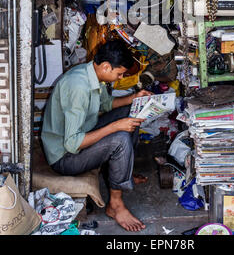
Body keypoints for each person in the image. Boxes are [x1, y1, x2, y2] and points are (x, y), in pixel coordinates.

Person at [41, 40, 152, 232]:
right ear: (106, 66)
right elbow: (73, 144)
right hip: (65, 158)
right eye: (119, 74)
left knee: (132, 113)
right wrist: (115, 127)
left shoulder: (92, 73)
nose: (119, 79)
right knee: (121, 138)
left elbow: (105, 105)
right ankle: (115, 205)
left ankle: (122, 173)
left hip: (84, 134)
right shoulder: (78, 87)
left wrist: (134, 98)